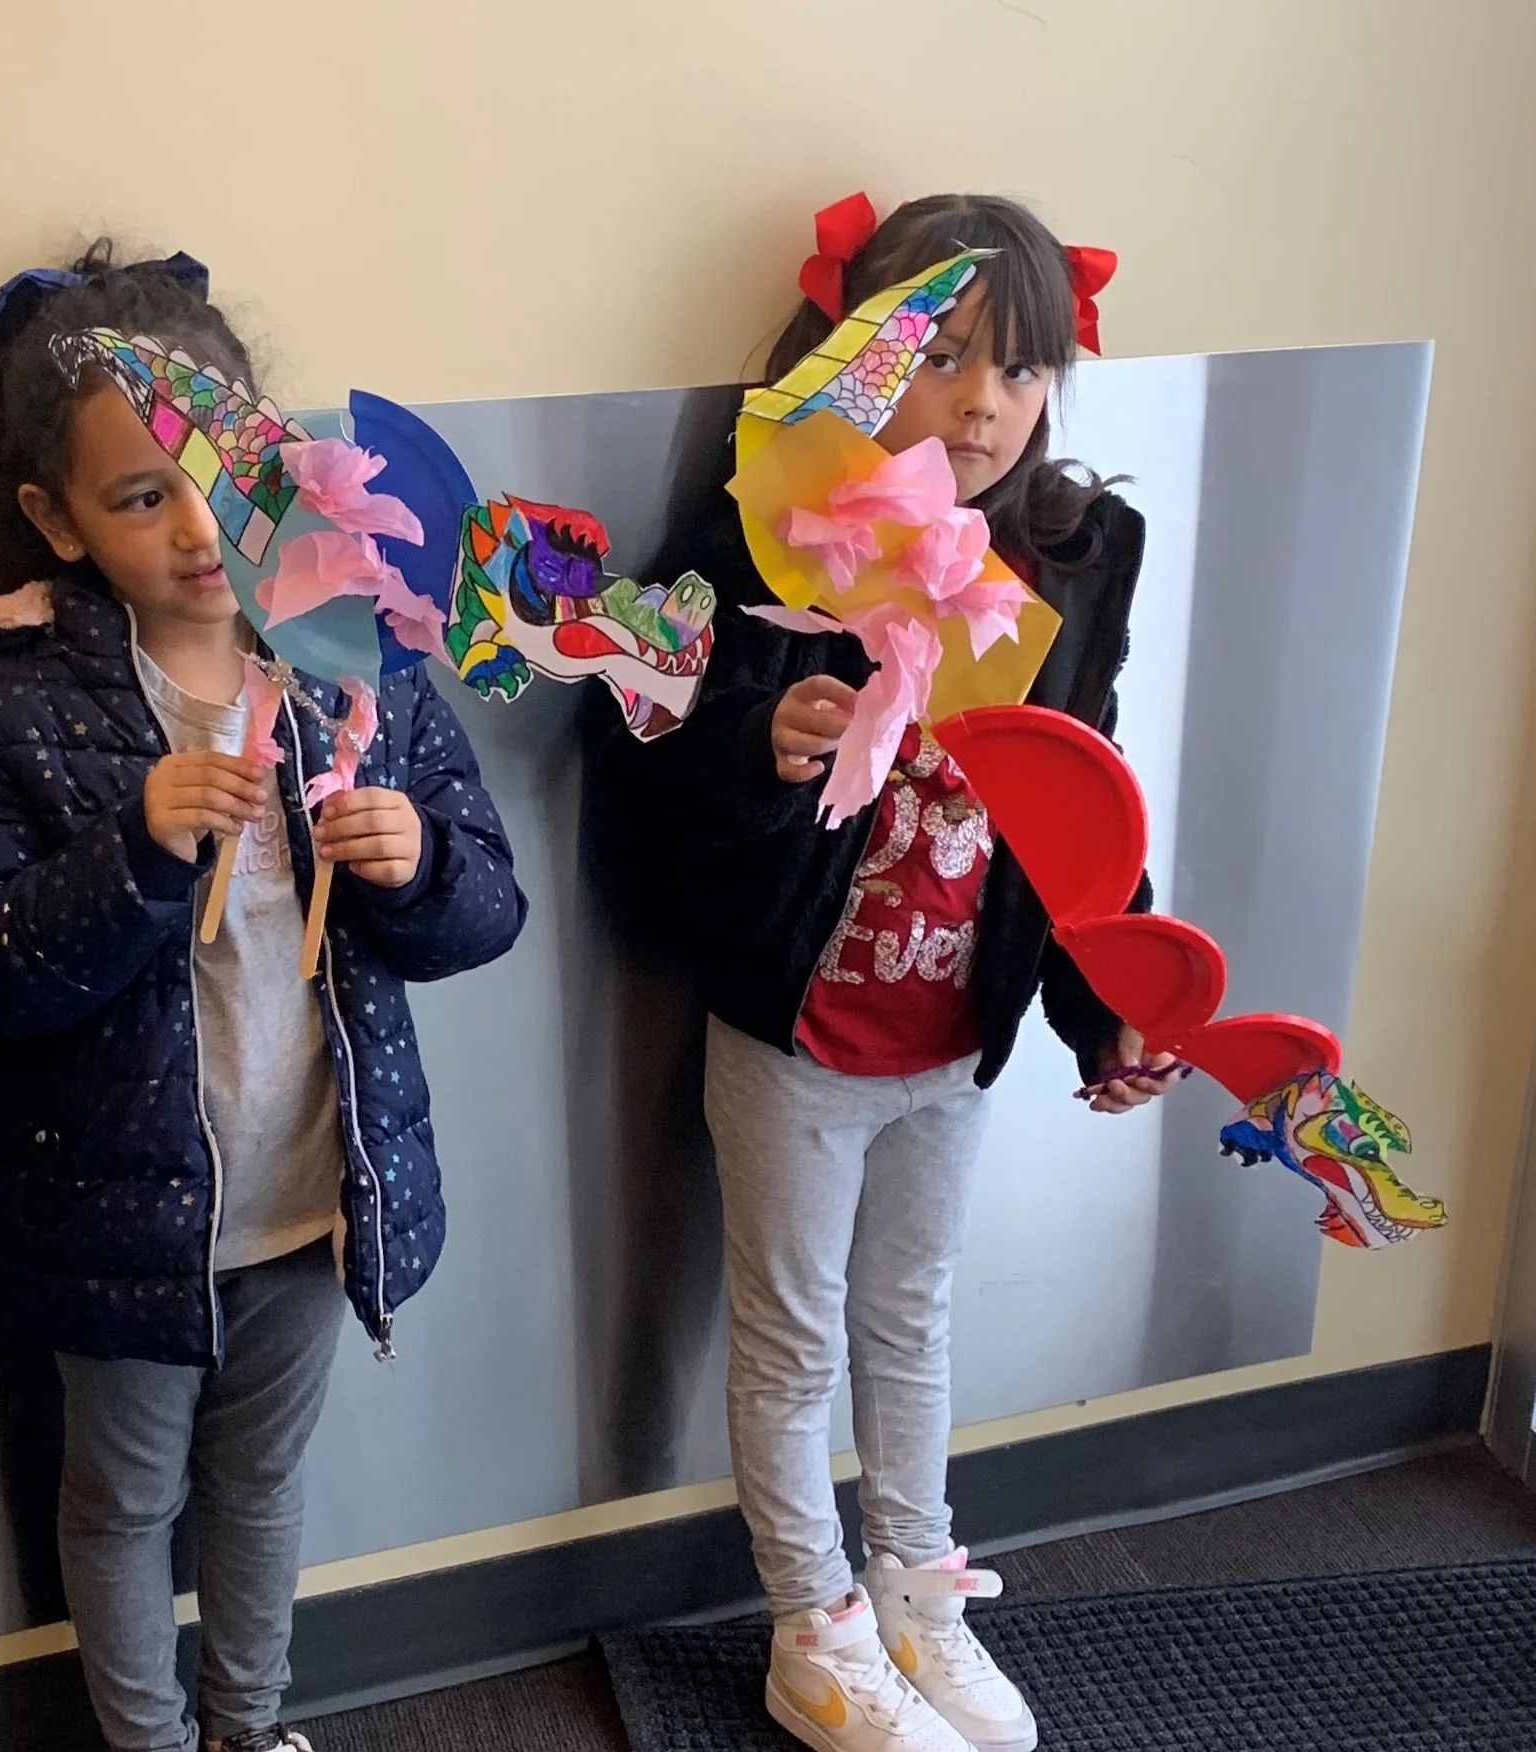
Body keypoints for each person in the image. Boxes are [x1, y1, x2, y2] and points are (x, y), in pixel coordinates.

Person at [0, 244, 526, 1752]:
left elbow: (488, 909)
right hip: (116, 1221)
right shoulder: (4, 702)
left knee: (262, 1484)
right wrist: (132, 849)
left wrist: (416, 858)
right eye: (139, 497)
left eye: (228, 478)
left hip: (315, 1196)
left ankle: (252, 1726)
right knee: (120, 1502)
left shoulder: (349, 661)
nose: (199, 529)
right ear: (53, 517)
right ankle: (149, 1742)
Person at [589, 193, 1171, 1752]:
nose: (986, 401)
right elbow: (633, 737)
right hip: (797, 1028)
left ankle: (916, 1590)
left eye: (1026, 368)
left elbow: (1080, 795)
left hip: (948, 1029)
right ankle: (814, 1627)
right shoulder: (758, 535)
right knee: (790, 1335)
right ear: (852, 360)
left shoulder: (1077, 555)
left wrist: (1111, 994)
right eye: (944, 356)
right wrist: (756, 747)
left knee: (912, 1318)